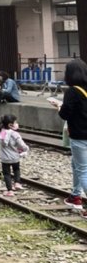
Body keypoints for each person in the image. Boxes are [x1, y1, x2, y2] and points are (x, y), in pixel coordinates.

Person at [58, 58, 87, 212]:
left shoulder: (72, 91)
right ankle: (75, 196)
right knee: (76, 165)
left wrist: (59, 107)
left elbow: (65, 114)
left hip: (80, 136)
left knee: (83, 170)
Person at [0, 114, 29, 195]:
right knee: (16, 170)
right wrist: (26, 149)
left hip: (5, 159)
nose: (16, 123)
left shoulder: (1, 133)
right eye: (15, 122)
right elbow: (22, 145)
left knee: (6, 174)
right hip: (15, 157)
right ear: (10, 125)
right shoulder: (15, 134)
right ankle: (17, 183)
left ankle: (10, 191)